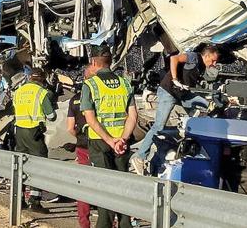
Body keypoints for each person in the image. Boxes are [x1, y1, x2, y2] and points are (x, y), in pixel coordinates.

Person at [131, 46, 220, 175]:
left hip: (181, 94)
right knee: (158, 126)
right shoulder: (193, 57)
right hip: (169, 92)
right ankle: (140, 156)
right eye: (212, 61)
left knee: (202, 105)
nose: (214, 64)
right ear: (206, 56)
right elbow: (174, 58)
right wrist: (175, 79)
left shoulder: (201, 67)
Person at [80, 44, 138, 228]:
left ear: (93, 62)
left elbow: (90, 118)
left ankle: (104, 224)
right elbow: (133, 116)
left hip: (100, 142)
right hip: (122, 142)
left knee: (104, 186)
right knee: (122, 185)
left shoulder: (90, 85)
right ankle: (125, 223)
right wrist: (122, 139)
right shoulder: (125, 83)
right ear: (111, 62)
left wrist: (109, 140)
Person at [13, 67, 56, 213]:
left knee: (20, 165)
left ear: (29, 77)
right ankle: (35, 201)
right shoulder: (42, 93)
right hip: (34, 132)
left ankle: (19, 199)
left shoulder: (18, 91)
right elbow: (51, 116)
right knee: (39, 166)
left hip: (19, 132)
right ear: (42, 79)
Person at [66, 69, 92, 228]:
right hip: (103, 144)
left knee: (84, 185)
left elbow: (69, 128)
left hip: (83, 146)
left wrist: (79, 137)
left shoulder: (74, 100)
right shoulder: (99, 95)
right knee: (108, 184)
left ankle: (84, 223)